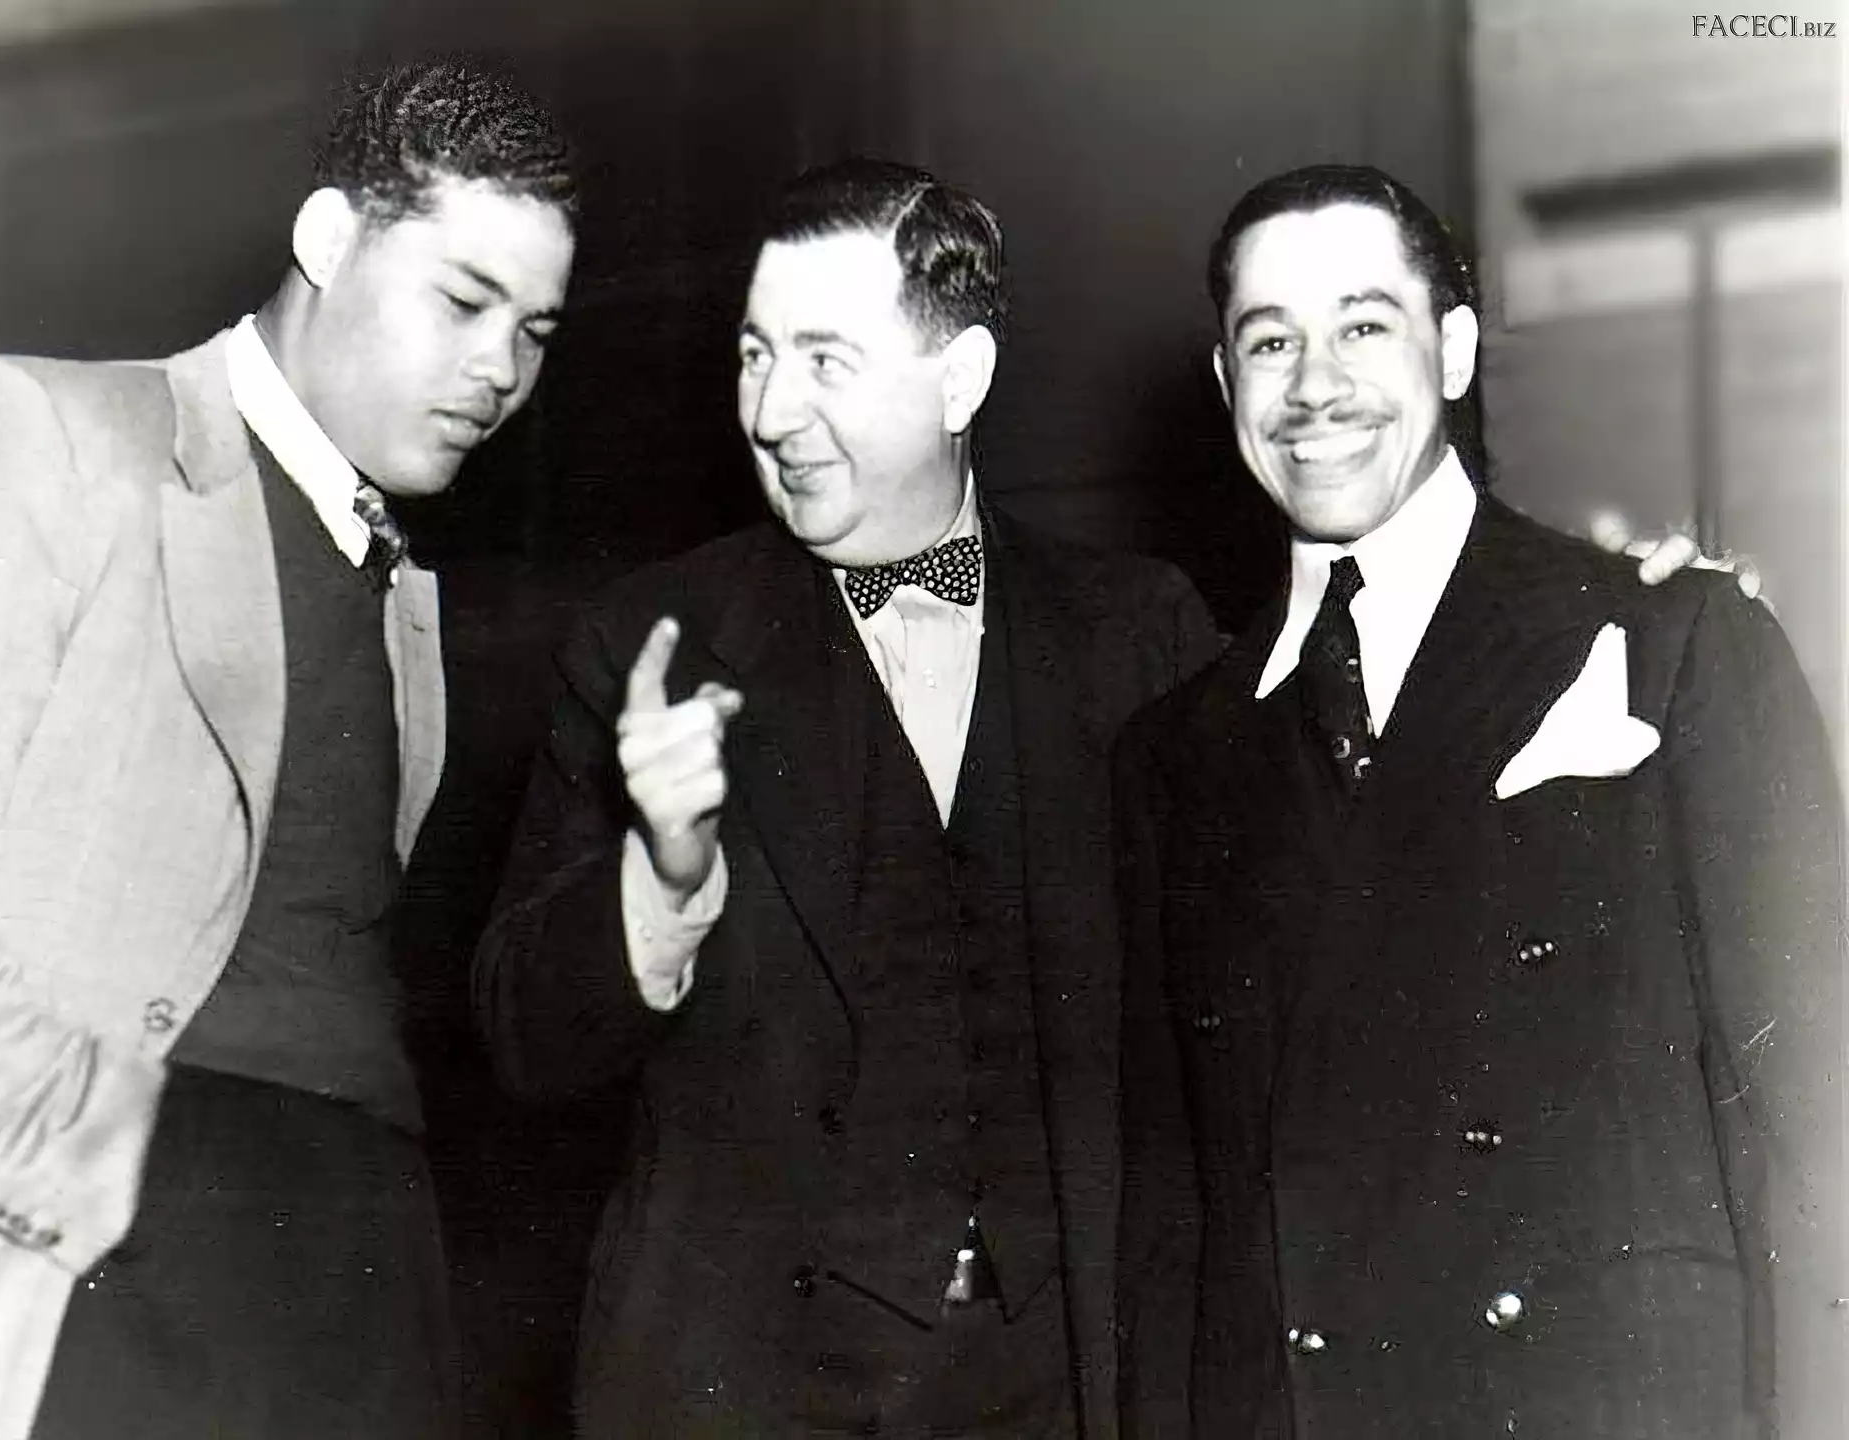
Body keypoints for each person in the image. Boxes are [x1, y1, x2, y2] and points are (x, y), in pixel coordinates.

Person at [472, 156, 1221, 1436]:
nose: (771, 412)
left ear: (960, 380)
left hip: (1067, 1387)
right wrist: (662, 877)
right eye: (755, 356)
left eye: (826, 360)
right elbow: (519, 1040)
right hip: (748, 1392)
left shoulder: (1142, 635)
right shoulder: (650, 643)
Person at [1114, 163, 1844, 1439]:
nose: (1315, 386)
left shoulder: (1672, 638)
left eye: (1363, 326)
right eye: (1270, 342)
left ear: (1453, 351)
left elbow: (1818, 1126)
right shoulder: (1172, 757)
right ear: (1226, 384)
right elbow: (1176, 1237)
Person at [0, 57, 577, 1440]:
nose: (500, 370)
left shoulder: (405, 590)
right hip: (117, 1256)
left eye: (535, 331)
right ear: (329, 239)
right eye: (463, 301)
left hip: (365, 1260)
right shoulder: (51, 431)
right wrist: (80, 1175)